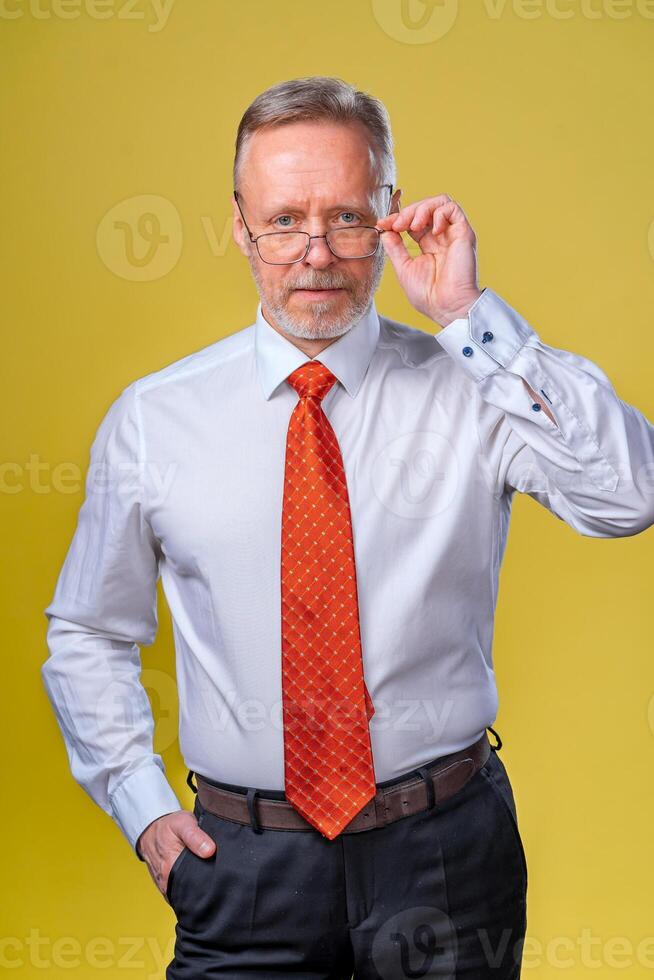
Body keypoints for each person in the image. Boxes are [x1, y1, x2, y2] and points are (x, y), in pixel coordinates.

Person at [41, 75, 654, 979]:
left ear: (391, 215)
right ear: (240, 226)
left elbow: (628, 496)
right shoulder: (153, 419)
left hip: (447, 858)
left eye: (347, 217)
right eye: (285, 220)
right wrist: (141, 806)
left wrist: (470, 319)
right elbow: (88, 631)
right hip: (241, 868)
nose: (316, 253)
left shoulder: (474, 390)